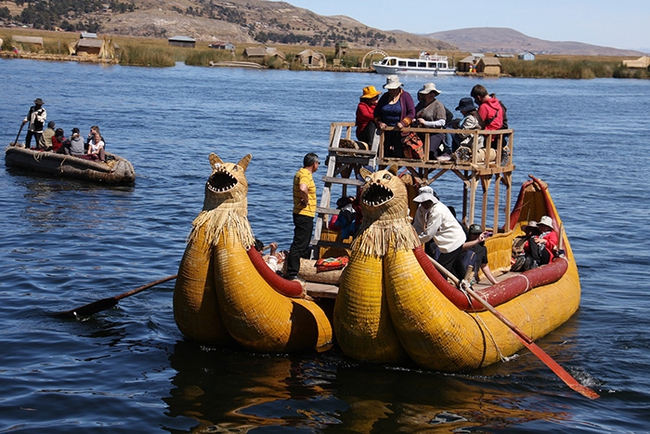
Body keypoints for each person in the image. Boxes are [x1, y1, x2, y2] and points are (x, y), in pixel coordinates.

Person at [412, 186, 467, 280]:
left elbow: (429, 234)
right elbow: (417, 226)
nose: (425, 204)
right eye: (423, 202)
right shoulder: (421, 209)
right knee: (456, 268)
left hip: (453, 240)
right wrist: (412, 236)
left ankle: (445, 292)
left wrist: (414, 242)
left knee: (441, 272)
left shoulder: (438, 211)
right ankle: (467, 289)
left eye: (427, 201)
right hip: (446, 242)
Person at [285, 153, 320, 281]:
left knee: (303, 244)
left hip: (304, 214)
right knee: (299, 244)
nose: (318, 166)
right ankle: (292, 273)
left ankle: (298, 269)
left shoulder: (301, 173)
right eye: (318, 163)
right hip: (303, 214)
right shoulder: (305, 175)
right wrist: (305, 200)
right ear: (314, 163)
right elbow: (303, 188)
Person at [374, 75, 415, 158]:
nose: (391, 91)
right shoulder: (385, 97)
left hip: (400, 132)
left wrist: (403, 123)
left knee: (399, 155)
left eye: (393, 89)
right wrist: (380, 123)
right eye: (389, 89)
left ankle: (396, 170)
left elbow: (412, 113)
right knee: (384, 155)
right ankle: (382, 170)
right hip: (385, 132)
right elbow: (376, 113)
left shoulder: (406, 96)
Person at [413, 82, 450, 160]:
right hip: (421, 133)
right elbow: (414, 114)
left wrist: (426, 123)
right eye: (429, 92)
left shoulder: (438, 105)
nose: (431, 94)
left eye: (433, 92)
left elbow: (442, 122)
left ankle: (441, 153)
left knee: (428, 153)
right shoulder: (421, 104)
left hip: (436, 133)